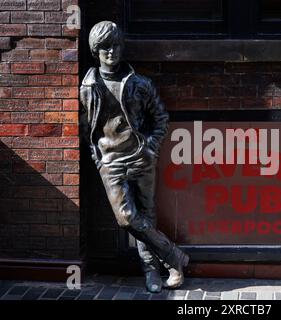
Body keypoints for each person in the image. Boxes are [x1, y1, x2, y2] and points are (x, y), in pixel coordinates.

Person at [80, 21, 189, 293]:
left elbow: (160, 117)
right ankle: (174, 256)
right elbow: (86, 129)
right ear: (95, 50)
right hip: (111, 162)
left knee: (146, 217)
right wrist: (99, 160)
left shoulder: (139, 84)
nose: (111, 52)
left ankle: (151, 271)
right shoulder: (88, 87)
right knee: (127, 218)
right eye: (104, 47)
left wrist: (151, 148)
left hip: (141, 158)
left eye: (116, 45)